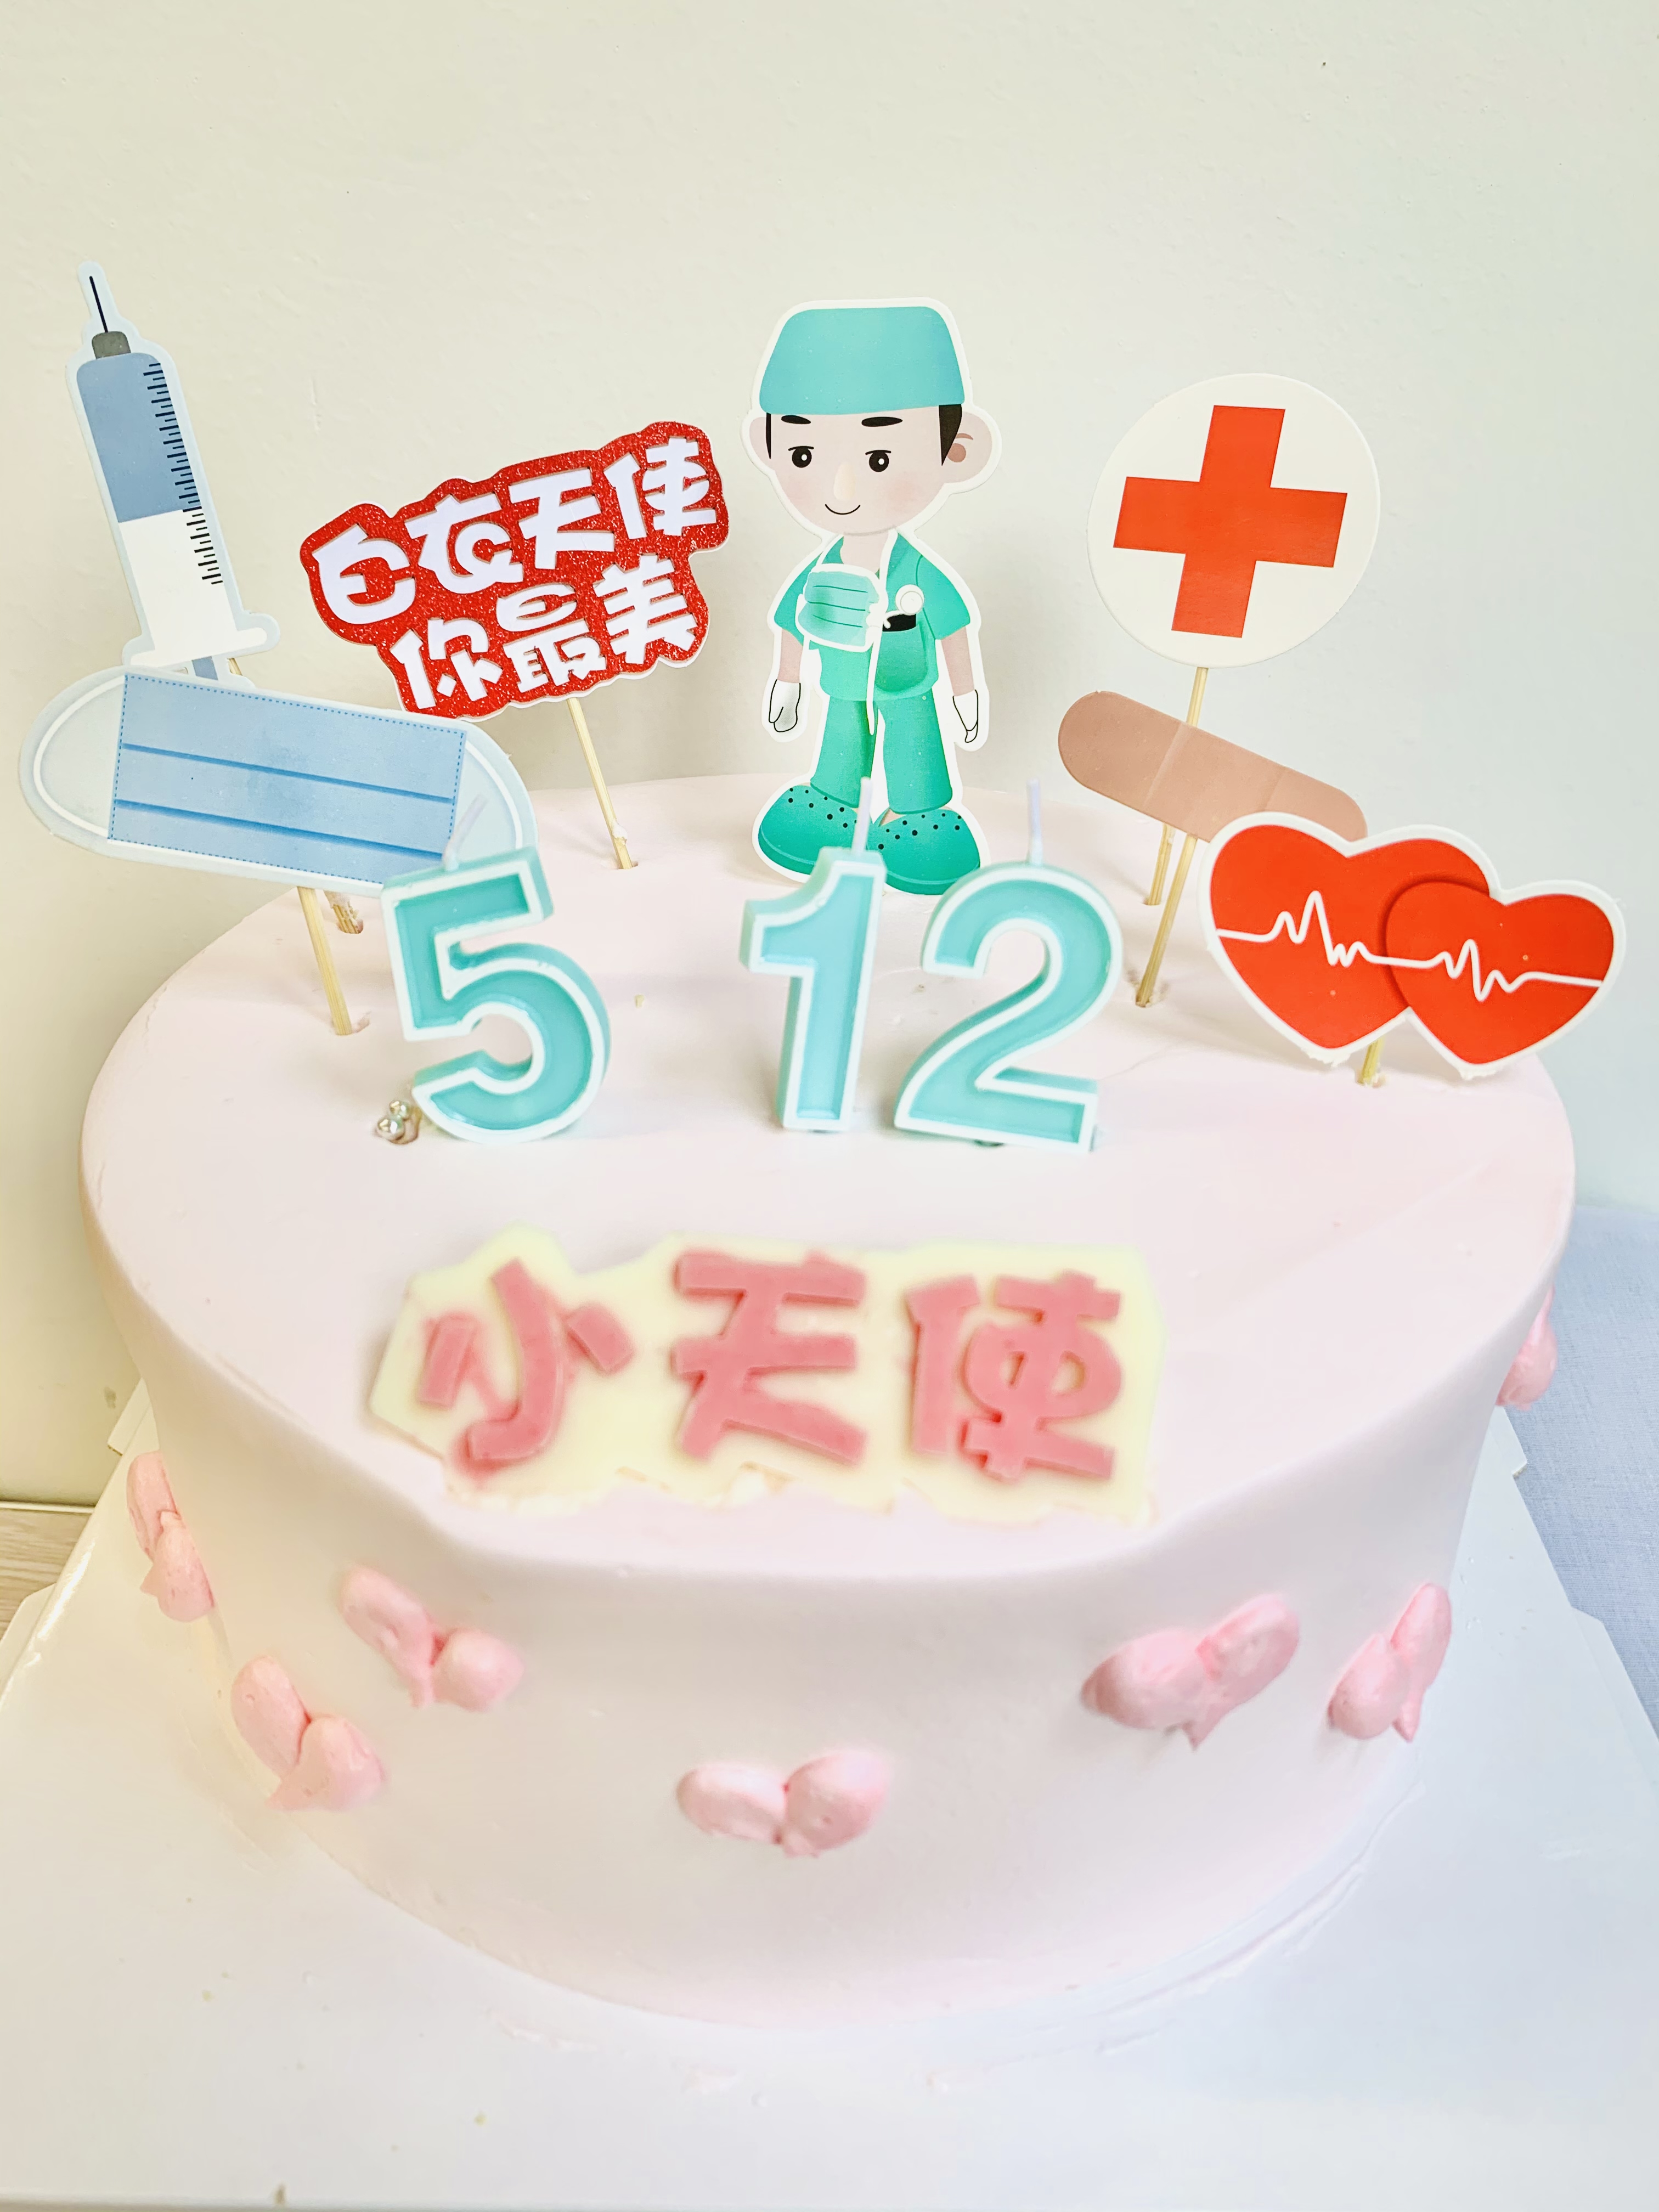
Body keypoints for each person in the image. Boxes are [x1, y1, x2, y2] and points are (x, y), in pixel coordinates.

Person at [745, 301, 998, 896]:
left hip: (909, 686)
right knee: (840, 744)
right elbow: (794, 621)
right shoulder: (822, 568)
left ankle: (920, 822)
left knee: (915, 748)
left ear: (959, 450)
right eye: (804, 455)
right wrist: (788, 682)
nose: (843, 489)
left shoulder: (919, 572)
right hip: (841, 682)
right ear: (768, 446)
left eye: (880, 459)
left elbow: (954, 627)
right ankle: (829, 808)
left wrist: (965, 694)